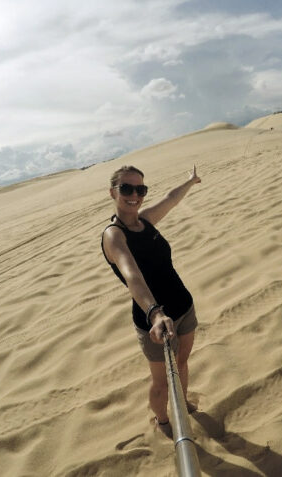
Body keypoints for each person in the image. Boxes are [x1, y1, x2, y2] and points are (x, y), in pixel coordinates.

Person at [101, 164, 201, 438]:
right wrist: (155, 313)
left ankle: (184, 402)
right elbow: (132, 276)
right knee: (161, 382)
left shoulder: (144, 221)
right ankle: (163, 420)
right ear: (112, 192)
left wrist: (190, 181)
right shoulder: (114, 235)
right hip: (155, 322)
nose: (134, 195)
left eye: (141, 189)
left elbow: (170, 199)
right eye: (126, 188)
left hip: (183, 307)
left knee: (182, 363)